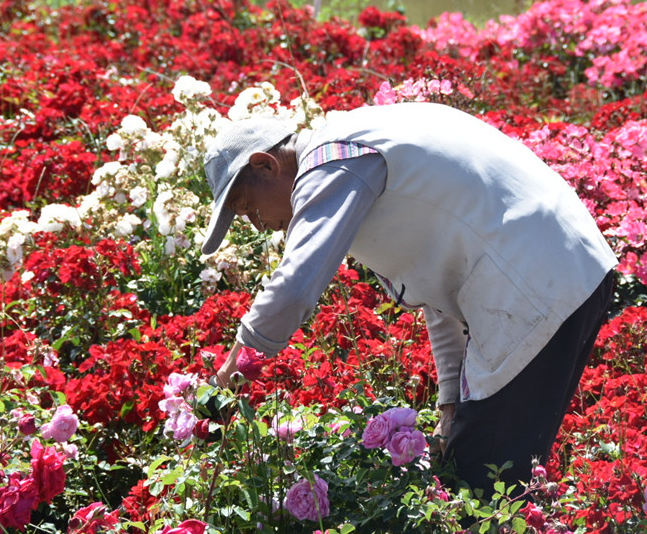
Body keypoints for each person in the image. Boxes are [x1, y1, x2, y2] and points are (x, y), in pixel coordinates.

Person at [200, 101, 617, 495]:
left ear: (265, 164)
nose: (259, 225)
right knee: (498, 475)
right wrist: (450, 403)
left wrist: (230, 374)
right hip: (562, 270)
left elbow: (295, 284)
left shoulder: (335, 159)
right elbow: (437, 293)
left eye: (247, 206)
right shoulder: (354, 147)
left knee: (483, 483)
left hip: (534, 279)